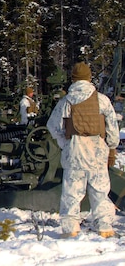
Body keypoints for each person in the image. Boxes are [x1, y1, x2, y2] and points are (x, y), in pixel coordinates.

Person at [46, 62, 119, 238]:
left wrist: (65, 143)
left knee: (72, 192)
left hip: (75, 152)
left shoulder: (66, 101)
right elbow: (113, 131)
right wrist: (110, 148)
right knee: (100, 192)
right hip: (97, 152)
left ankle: (70, 229)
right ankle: (104, 228)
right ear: (89, 78)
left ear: (73, 79)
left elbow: (52, 125)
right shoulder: (102, 100)